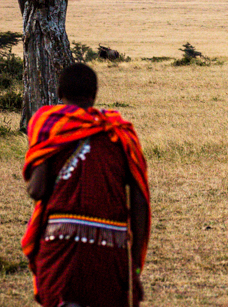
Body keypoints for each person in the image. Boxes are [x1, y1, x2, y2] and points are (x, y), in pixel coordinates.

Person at [22, 62, 151, 307]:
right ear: (94, 95)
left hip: (60, 242)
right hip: (110, 245)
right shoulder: (119, 132)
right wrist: (133, 269)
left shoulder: (49, 124)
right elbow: (139, 202)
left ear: (60, 94)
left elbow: (37, 190)